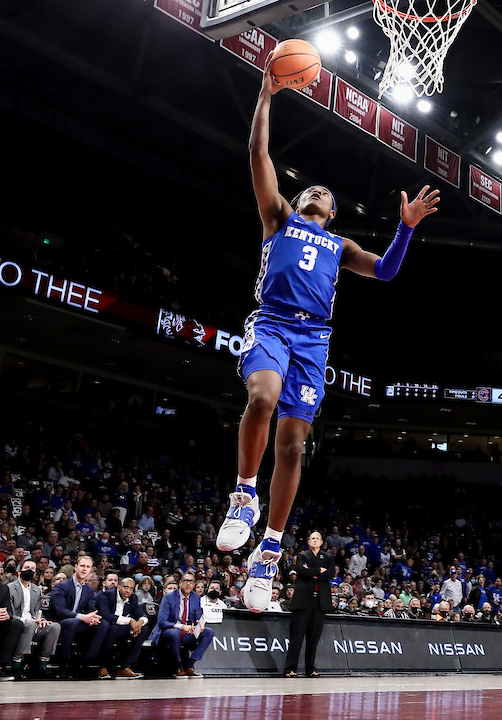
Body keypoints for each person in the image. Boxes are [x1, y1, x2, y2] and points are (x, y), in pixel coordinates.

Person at [216, 56, 440, 611]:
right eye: (309, 187)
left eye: (324, 192)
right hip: (270, 324)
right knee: (262, 397)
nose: (314, 190)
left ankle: (268, 552)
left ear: (333, 212)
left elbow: (385, 271)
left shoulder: (340, 248)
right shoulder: (279, 218)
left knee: (294, 446)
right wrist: (266, 97)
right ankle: (243, 495)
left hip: (314, 341)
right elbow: (258, 154)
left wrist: (404, 231)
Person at [48, 554, 109, 674]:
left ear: (91, 570)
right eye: (82, 566)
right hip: (60, 621)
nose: (84, 569)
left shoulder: (89, 589)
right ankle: (65, 663)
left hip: (79, 621)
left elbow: (91, 608)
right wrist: (82, 617)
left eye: (87, 567)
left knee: (104, 624)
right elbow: (60, 610)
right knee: (73, 622)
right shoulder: (61, 586)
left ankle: (88, 661)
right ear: (76, 567)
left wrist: (93, 617)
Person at [285, 531, 334, 677]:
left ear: (321, 541)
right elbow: (301, 571)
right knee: (297, 637)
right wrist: (319, 571)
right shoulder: (302, 556)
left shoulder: (329, 557)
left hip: (320, 602)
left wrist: (311, 572)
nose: (314, 540)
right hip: (303, 601)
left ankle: (310, 669)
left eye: (317, 538)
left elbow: (330, 574)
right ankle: (290, 668)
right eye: (312, 538)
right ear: (308, 541)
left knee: (314, 638)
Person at [3, 558, 61, 679]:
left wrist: (42, 620)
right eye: (27, 568)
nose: (29, 571)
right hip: (18, 624)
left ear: (35, 573)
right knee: (30, 625)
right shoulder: (10, 587)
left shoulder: (37, 589)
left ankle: (42, 666)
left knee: (55, 627)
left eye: (33, 569)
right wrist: (26, 620)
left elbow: (39, 611)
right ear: (20, 571)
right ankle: (16, 665)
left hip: (33, 622)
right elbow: (10, 612)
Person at [151, 573, 214, 678]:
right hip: (169, 632)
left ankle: (189, 666)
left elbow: (198, 617)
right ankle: (178, 666)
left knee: (209, 632)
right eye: (186, 581)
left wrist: (199, 626)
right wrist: (182, 626)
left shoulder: (196, 598)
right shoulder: (169, 597)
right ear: (180, 583)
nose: (188, 584)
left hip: (187, 632)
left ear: (194, 584)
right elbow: (162, 622)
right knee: (175, 633)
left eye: (191, 581)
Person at [96, 577, 150, 678]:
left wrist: (140, 622)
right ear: (119, 587)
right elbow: (106, 615)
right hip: (105, 626)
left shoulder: (133, 597)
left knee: (143, 629)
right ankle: (103, 667)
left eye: (131, 588)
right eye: (125, 587)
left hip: (121, 627)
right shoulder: (107, 595)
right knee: (112, 628)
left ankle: (124, 667)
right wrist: (130, 621)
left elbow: (142, 614)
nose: (128, 591)